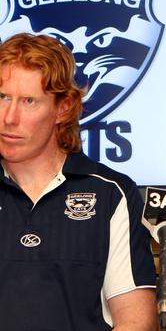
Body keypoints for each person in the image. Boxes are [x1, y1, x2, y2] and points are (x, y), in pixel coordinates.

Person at [0, 33, 157, 330]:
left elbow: (136, 321)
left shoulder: (110, 192)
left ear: (63, 108)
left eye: (29, 101)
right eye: (2, 97)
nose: (9, 117)